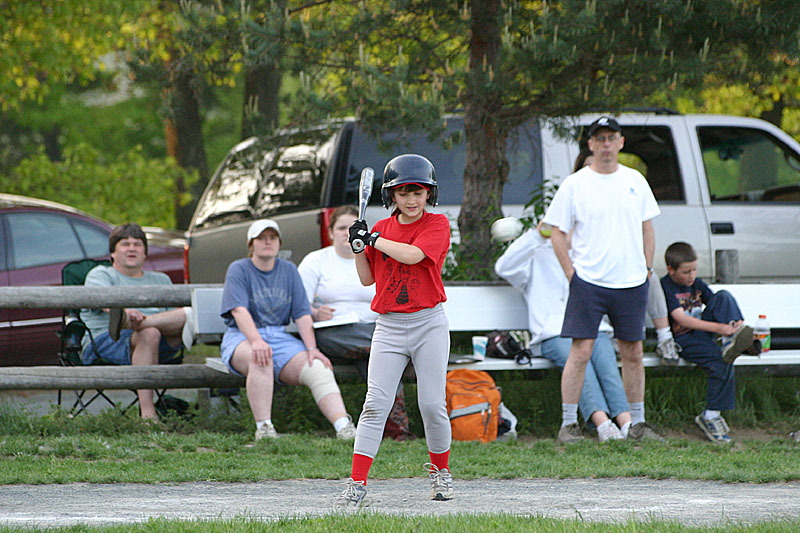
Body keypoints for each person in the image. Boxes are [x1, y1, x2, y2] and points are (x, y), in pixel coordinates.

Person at [336, 154, 453, 510]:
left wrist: (370, 238)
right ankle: (357, 482)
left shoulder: (438, 223)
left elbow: (414, 255)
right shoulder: (381, 231)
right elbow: (367, 278)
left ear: (429, 194)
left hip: (428, 323)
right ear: (392, 197)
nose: (412, 199)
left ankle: (441, 473)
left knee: (432, 405)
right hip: (388, 326)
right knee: (375, 405)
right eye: (403, 193)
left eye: (418, 192)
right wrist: (359, 247)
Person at [542, 116, 663, 442]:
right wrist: (571, 273)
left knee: (633, 352)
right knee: (580, 352)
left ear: (621, 142)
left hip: (631, 281)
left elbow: (647, 226)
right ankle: (568, 424)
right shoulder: (575, 184)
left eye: (612, 138)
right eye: (600, 139)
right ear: (591, 144)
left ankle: (636, 424)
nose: (606, 144)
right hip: (589, 282)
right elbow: (557, 232)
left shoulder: (635, 180)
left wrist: (647, 267)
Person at [219, 219, 356, 441]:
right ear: (250, 244)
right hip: (242, 336)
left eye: (272, 238)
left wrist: (312, 348)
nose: (267, 242)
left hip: (279, 336)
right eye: (261, 238)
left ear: (279, 242)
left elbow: (302, 313)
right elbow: (238, 311)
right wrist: (256, 341)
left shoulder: (289, 270)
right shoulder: (239, 269)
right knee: (260, 357)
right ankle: (264, 429)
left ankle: (344, 427)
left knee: (318, 367)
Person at [496, 220, 632, 442]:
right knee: (579, 362)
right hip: (552, 333)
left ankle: (626, 421)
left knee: (606, 361)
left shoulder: (586, 254)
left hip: (592, 327)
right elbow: (503, 267)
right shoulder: (537, 253)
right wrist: (536, 236)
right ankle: (603, 424)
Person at [298, 205, 414, 441]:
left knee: (377, 362)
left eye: (351, 228)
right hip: (333, 334)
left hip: (373, 331)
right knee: (386, 354)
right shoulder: (317, 261)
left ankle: (395, 433)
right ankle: (405, 354)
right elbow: (299, 303)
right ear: (330, 233)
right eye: (341, 228)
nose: (346, 233)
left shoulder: (374, 257)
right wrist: (316, 312)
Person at [573, 149, 681, 366]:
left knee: (649, 278)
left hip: (624, 272)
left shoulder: (624, 193)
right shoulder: (575, 196)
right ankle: (611, 337)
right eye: (587, 167)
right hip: (591, 275)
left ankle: (665, 339)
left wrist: (647, 267)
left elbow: (645, 229)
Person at [80, 223, 193, 421]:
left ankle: (141, 323)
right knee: (150, 333)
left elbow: (175, 317)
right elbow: (103, 302)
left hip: (160, 341)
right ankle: (148, 415)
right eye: (125, 244)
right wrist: (124, 312)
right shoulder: (101, 274)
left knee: (188, 314)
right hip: (106, 341)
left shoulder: (161, 280)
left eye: (137, 244)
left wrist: (141, 321)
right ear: (113, 253)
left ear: (145, 253)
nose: (132, 248)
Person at [660, 241, 755, 443]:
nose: (691, 276)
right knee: (722, 360)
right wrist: (721, 329)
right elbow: (681, 319)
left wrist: (731, 322)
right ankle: (710, 416)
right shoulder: (666, 286)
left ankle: (735, 336)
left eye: (694, 270)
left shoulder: (696, 283)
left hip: (703, 335)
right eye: (686, 272)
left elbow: (716, 303)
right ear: (670, 269)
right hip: (684, 340)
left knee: (723, 296)